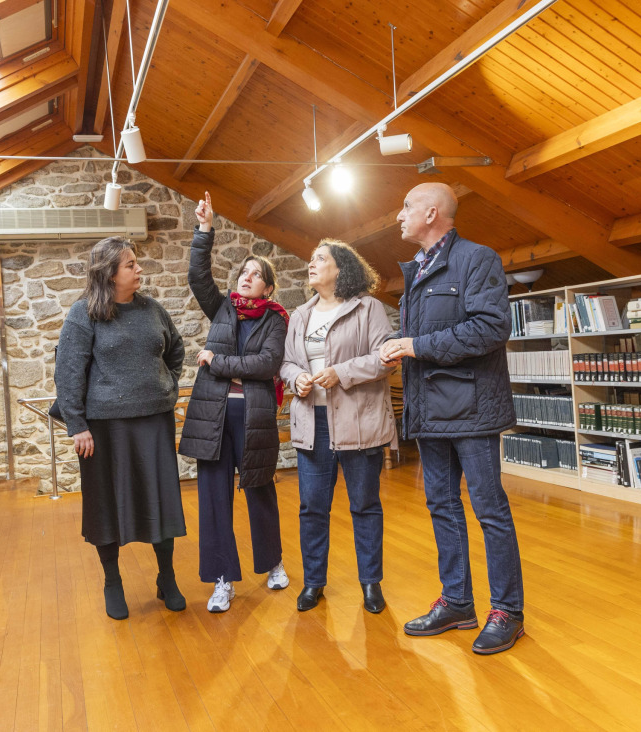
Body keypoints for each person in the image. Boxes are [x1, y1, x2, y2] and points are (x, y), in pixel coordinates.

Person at [379, 182, 526, 655]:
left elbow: (490, 327)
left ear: (432, 212)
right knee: (441, 507)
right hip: (430, 411)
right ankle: (458, 602)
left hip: (473, 411)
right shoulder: (417, 269)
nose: (398, 215)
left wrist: (416, 345)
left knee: (490, 512)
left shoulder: (477, 258)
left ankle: (507, 611)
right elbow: (426, 336)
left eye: (405, 206)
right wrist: (399, 348)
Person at [54, 236, 187, 621]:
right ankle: (112, 582)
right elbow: (68, 373)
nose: (139, 269)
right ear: (109, 273)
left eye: (136, 263)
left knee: (161, 502)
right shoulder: (84, 314)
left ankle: (167, 578)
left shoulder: (153, 310)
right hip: (103, 430)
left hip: (154, 422)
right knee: (105, 507)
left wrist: (167, 383)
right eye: (131, 264)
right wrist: (77, 425)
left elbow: (175, 350)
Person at [179, 191, 290, 613]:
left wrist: (216, 361)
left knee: (259, 490)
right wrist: (204, 229)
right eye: (243, 271)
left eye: (255, 273)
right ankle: (222, 578)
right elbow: (198, 277)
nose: (246, 277)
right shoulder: (222, 309)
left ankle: (273, 562)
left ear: (268, 286)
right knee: (213, 496)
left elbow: (267, 364)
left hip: (253, 418)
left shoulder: (276, 320)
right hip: (213, 416)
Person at [280, 240, 396, 613]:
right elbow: (285, 363)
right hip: (312, 424)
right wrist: (296, 376)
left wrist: (341, 372)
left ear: (340, 269)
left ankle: (371, 584)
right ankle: (314, 583)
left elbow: (386, 358)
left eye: (319, 259)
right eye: (311, 258)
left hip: (358, 423)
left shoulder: (368, 308)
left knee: (364, 505)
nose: (311, 264)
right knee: (312, 507)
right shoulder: (299, 316)